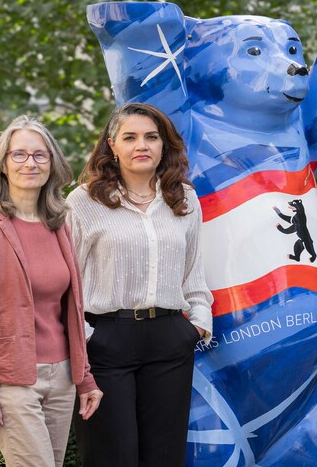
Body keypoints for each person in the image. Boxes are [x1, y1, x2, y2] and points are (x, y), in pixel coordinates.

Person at [66, 102, 213, 467]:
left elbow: (194, 274)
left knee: (164, 457)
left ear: (164, 145)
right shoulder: (84, 202)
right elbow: (68, 283)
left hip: (169, 338)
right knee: (112, 456)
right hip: (105, 342)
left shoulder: (185, 200)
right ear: (112, 146)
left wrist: (196, 325)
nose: (141, 145)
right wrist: (86, 336)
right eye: (129, 137)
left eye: (151, 137)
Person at [0, 115, 103, 467]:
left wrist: (84, 378)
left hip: (63, 377)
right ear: (3, 164)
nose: (29, 163)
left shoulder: (59, 223)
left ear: (52, 164)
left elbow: (70, 310)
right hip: (13, 379)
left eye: (39, 155)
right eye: (18, 154)